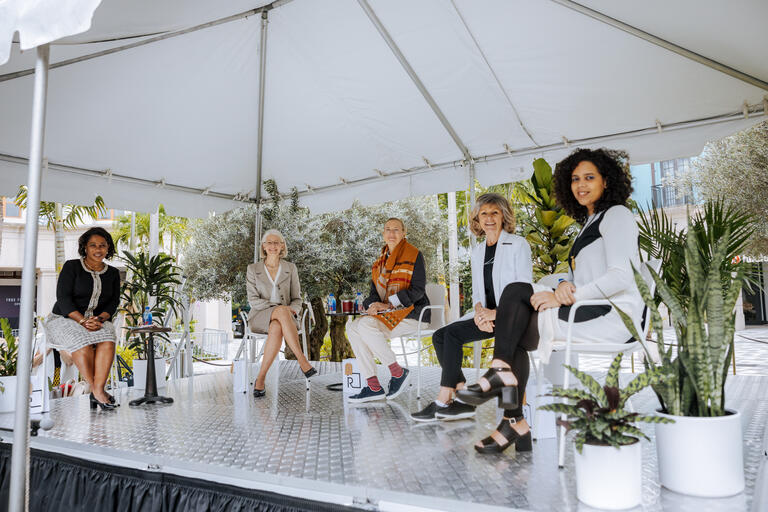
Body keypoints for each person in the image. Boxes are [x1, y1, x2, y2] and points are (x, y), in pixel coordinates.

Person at [456, 147, 641, 454]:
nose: (580, 184)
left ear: (606, 181)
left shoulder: (617, 215)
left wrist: (562, 294)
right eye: (575, 179)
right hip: (585, 307)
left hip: (608, 316)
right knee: (515, 309)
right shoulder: (592, 221)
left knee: (513, 301)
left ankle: (511, 412)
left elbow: (621, 276)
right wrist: (556, 285)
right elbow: (578, 275)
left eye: (589, 177)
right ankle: (513, 419)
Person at [411, 193, 532, 422]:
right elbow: (477, 290)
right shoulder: (478, 251)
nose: (489, 218)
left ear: (503, 216)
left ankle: (444, 397)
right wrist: (480, 312)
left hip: (511, 318)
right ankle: (461, 397)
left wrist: (496, 313)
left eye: (494, 212)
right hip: (486, 316)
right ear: (477, 218)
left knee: (453, 335)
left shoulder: (518, 245)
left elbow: (524, 289)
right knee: (440, 336)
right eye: (483, 213)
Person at [346, 218, 430, 403]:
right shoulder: (378, 263)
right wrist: (372, 305)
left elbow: (418, 291)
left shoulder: (414, 254)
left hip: (413, 314)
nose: (392, 234)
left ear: (404, 233)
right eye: (388, 230)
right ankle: (373, 386)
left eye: (396, 230)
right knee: (352, 327)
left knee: (366, 325)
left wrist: (388, 305)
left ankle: (397, 373)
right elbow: (373, 294)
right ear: (383, 234)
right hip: (390, 315)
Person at [43, 227, 121, 411]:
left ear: (108, 248)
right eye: (93, 245)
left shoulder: (113, 273)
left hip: (97, 320)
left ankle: (96, 391)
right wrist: (82, 321)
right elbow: (63, 299)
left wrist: (100, 319)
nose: (98, 249)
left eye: (102, 245)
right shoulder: (72, 267)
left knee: (108, 338)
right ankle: (98, 391)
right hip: (64, 318)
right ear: (84, 247)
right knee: (81, 341)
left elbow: (113, 302)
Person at [246, 229, 316, 398]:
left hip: (285, 318)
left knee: (277, 326)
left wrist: (292, 310)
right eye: (269, 242)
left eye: (276, 242)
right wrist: (278, 308)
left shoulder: (290, 268)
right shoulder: (252, 269)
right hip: (260, 316)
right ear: (263, 246)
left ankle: (260, 379)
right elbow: (253, 300)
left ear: (282, 246)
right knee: (280, 313)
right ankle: (302, 361)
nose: (273, 246)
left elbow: (297, 299)